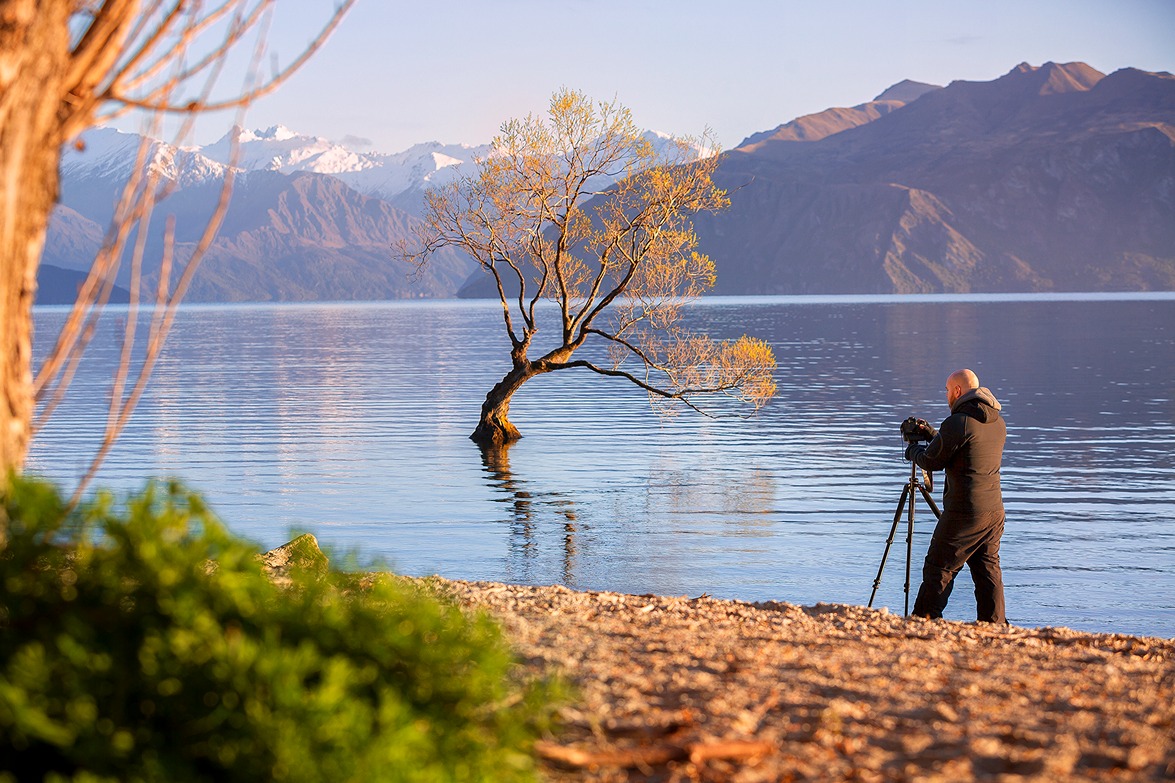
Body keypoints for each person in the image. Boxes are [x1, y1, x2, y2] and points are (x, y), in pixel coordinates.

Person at [904, 368, 1007, 624]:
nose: (947, 396)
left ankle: (923, 620)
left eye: (948, 391)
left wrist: (913, 451)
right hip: (993, 511)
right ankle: (995, 625)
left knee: (940, 566)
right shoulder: (996, 421)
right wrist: (933, 435)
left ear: (958, 391)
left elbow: (932, 460)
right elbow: (962, 448)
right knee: (987, 570)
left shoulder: (958, 422)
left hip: (965, 512)